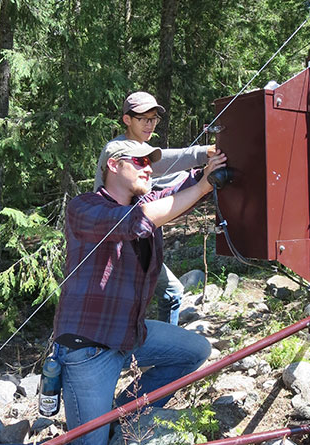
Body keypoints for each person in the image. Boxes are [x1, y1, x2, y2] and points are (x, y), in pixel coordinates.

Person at [0, 139, 227, 445]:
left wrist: (208, 166)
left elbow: (172, 196)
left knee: (195, 350)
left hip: (130, 336)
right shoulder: (84, 207)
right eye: (140, 161)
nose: (148, 168)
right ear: (113, 165)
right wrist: (202, 187)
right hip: (89, 349)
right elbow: (137, 220)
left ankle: (121, 417)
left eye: (150, 163)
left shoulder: (146, 202)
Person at [94, 91, 222, 326]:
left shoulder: (142, 153)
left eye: (154, 119)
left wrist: (201, 178)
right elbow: (160, 163)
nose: (150, 124)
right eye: (144, 118)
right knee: (125, 308)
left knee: (171, 292)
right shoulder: (119, 148)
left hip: (138, 241)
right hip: (118, 247)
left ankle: (159, 347)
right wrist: (202, 153)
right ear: (127, 120)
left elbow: (162, 184)